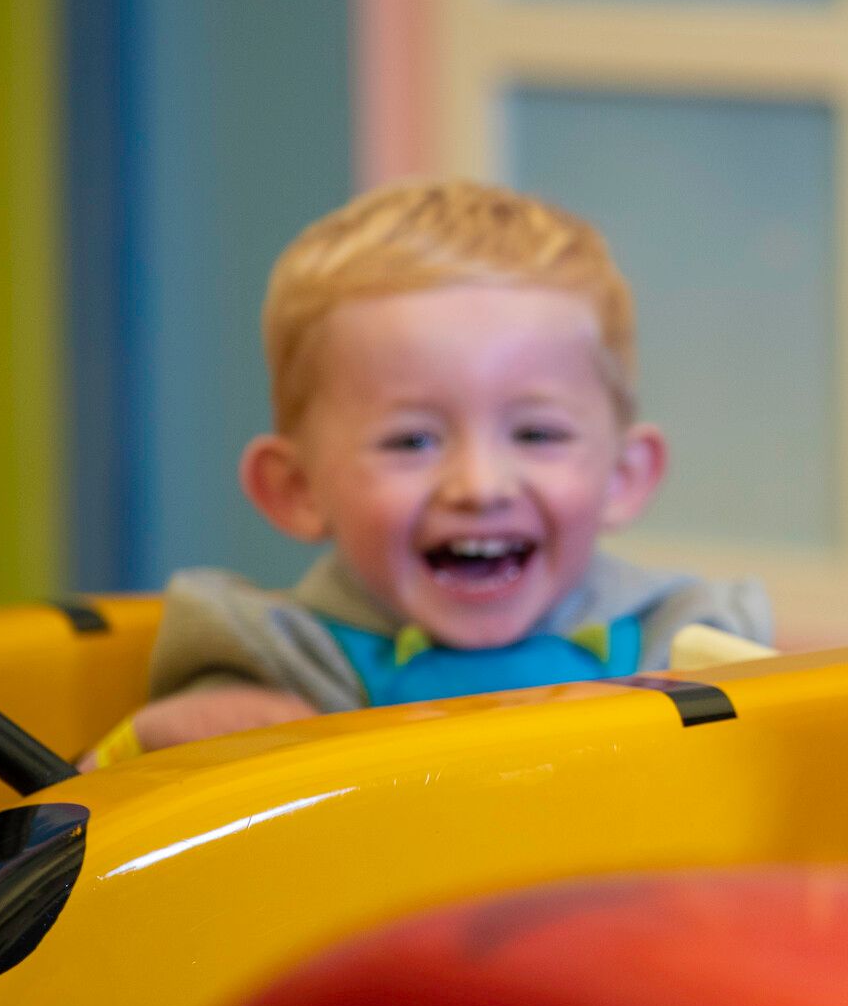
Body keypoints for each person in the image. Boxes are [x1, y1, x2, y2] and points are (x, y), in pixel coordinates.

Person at [81, 180, 769, 768]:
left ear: (624, 476)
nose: (479, 486)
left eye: (536, 434)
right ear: (295, 489)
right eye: (411, 441)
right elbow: (95, 851)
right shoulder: (274, 661)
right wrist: (153, 743)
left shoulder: (684, 639)